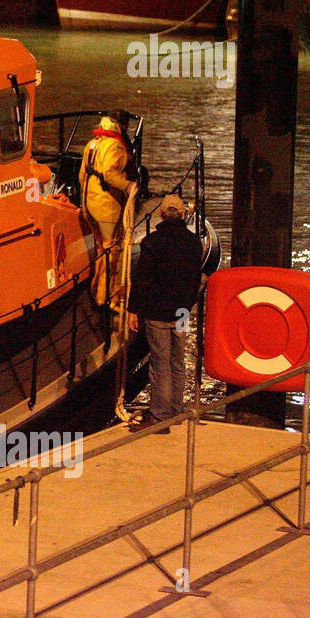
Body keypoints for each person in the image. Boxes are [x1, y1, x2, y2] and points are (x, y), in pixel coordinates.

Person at [127, 194, 204, 432]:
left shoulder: (152, 243)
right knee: (178, 361)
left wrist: (133, 310)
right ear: (182, 214)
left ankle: (160, 417)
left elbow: (143, 281)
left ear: (161, 214)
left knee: (160, 365)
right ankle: (176, 410)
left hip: (158, 312)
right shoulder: (194, 243)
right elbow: (195, 280)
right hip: (181, 311)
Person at [79, 109, 134, 308]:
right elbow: (110, 174)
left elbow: (81, 176)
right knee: (112, 250)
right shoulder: (115, 146)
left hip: (89, 204)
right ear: (123, 126)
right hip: (105, 206)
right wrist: (129, 186)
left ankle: (94, 289)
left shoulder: (92, 144)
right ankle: (104, 298)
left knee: (100, 248)